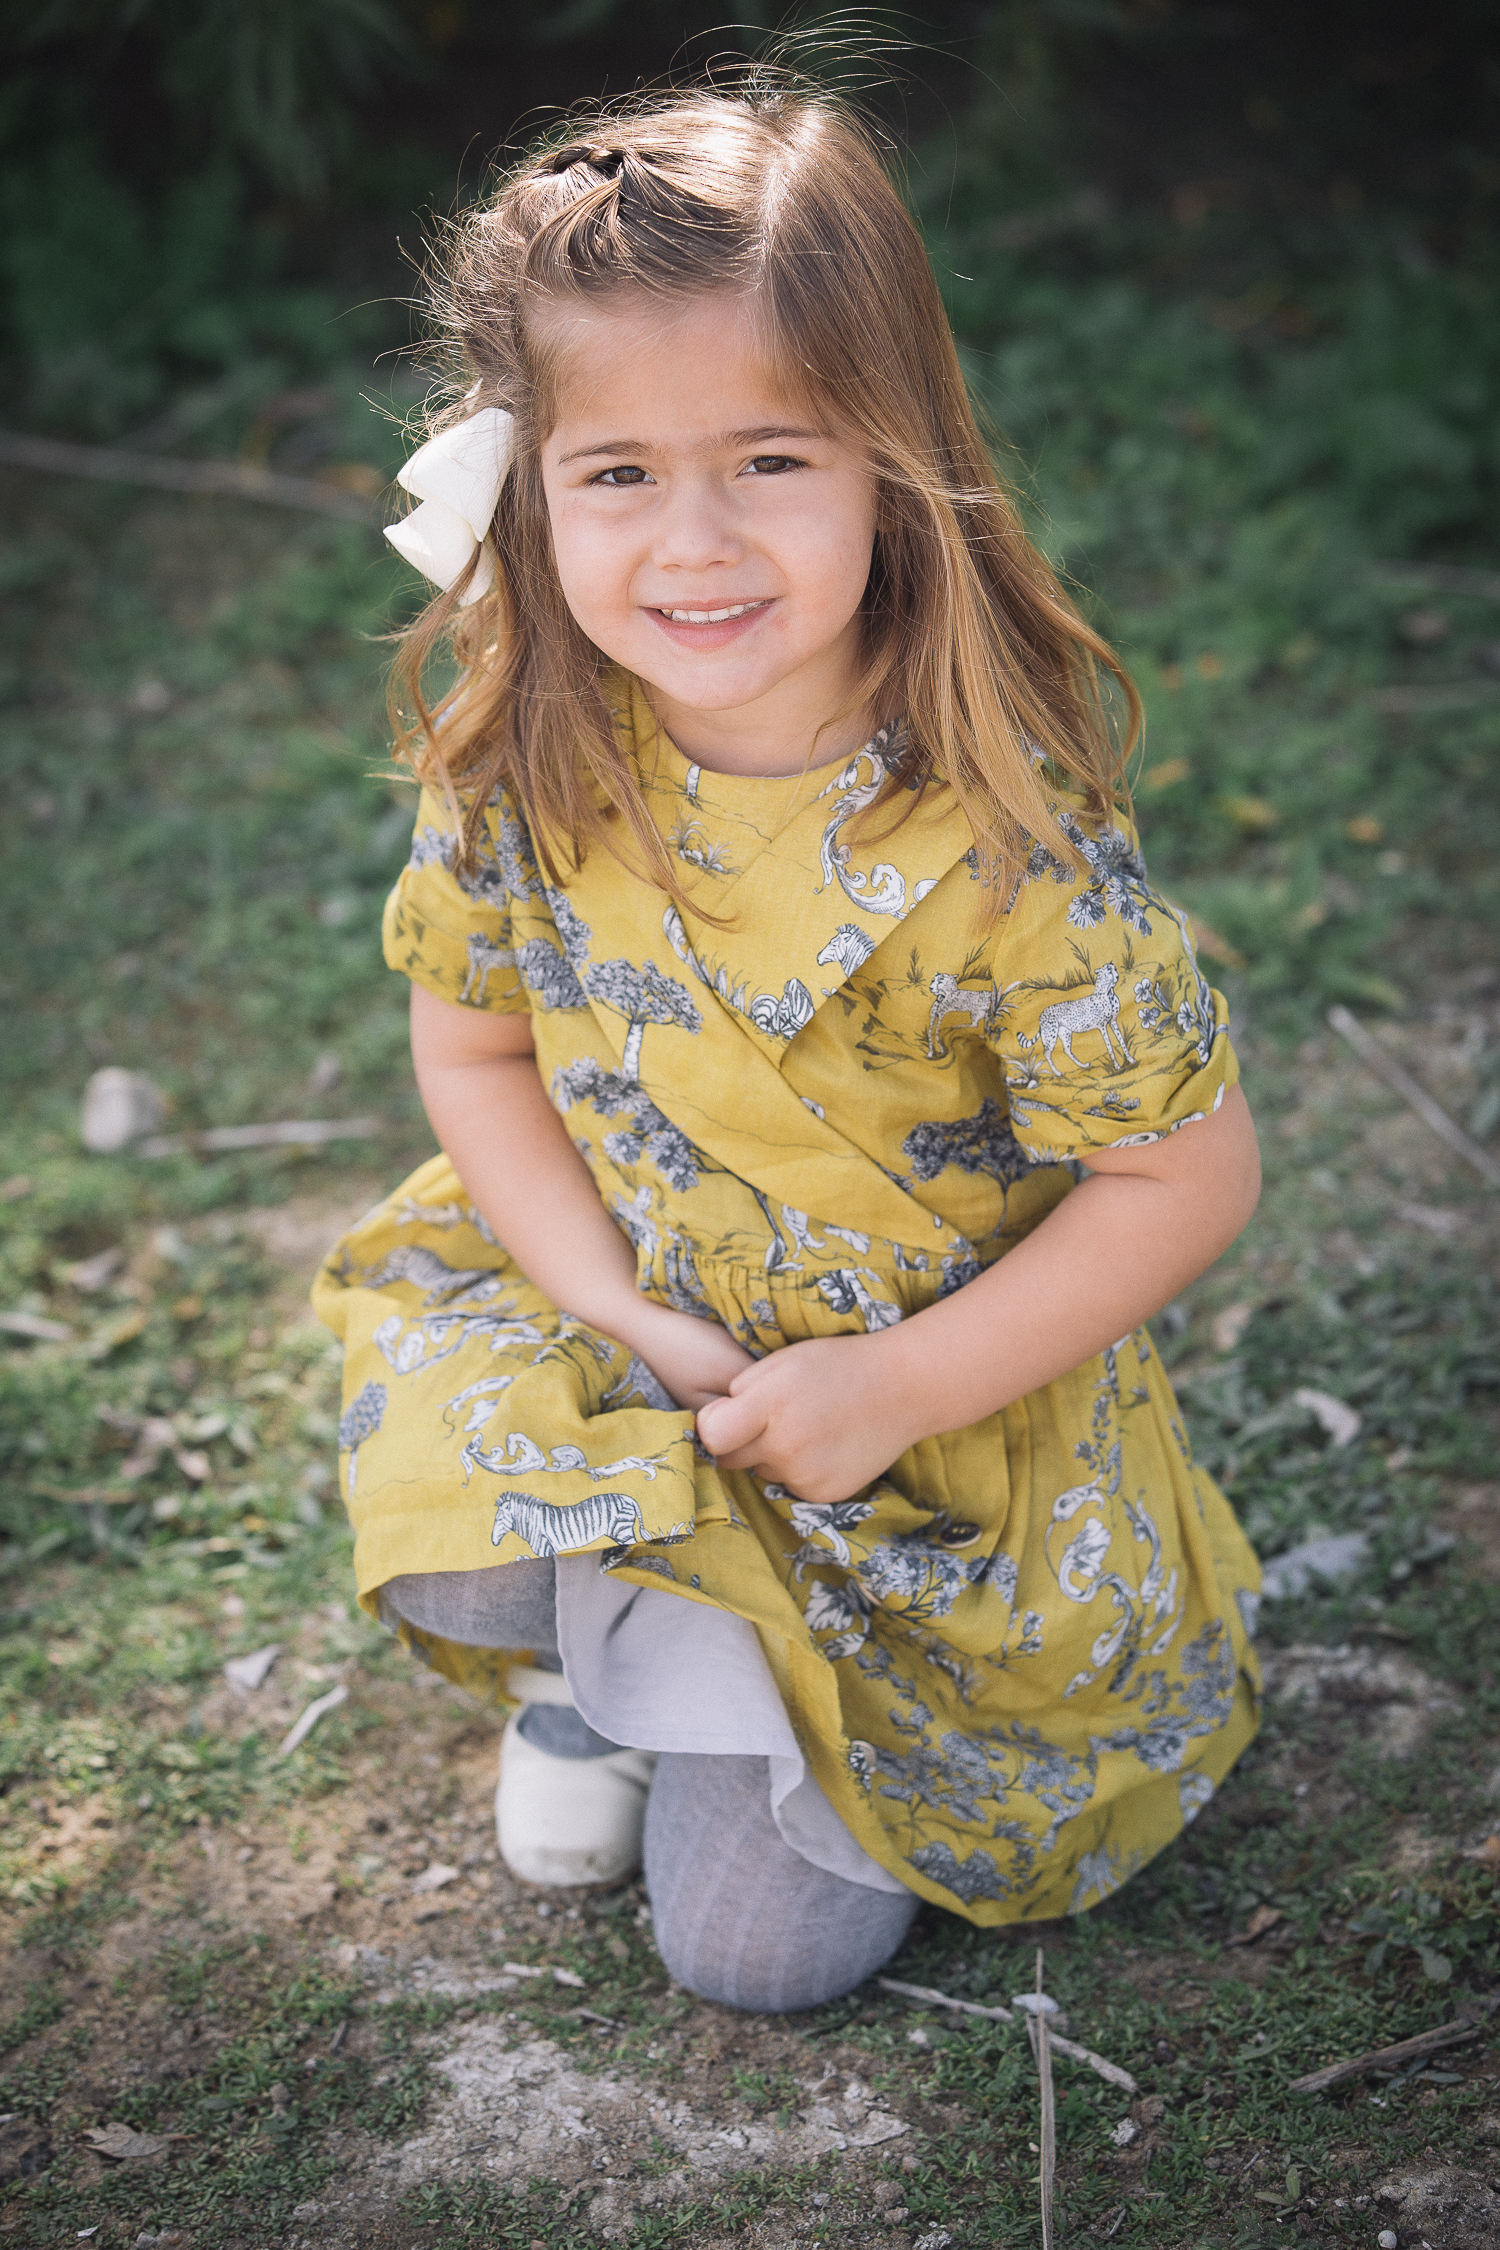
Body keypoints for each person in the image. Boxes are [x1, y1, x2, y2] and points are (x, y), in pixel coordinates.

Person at [311, 72, 1264, 2015]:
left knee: (749, 1960)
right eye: (617, 473)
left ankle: (721, 1674)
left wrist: (894, 1387)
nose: (696, 542)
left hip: (908, 1442)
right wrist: (620, 1311)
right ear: (530, 478)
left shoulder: (1002, 849)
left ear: (892, 460)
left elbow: (1188, 1176)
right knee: (459, 1543)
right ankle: (605, 1669)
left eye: (769, 459)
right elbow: (476, 1055)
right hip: (637, 1334)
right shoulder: (524, 752)